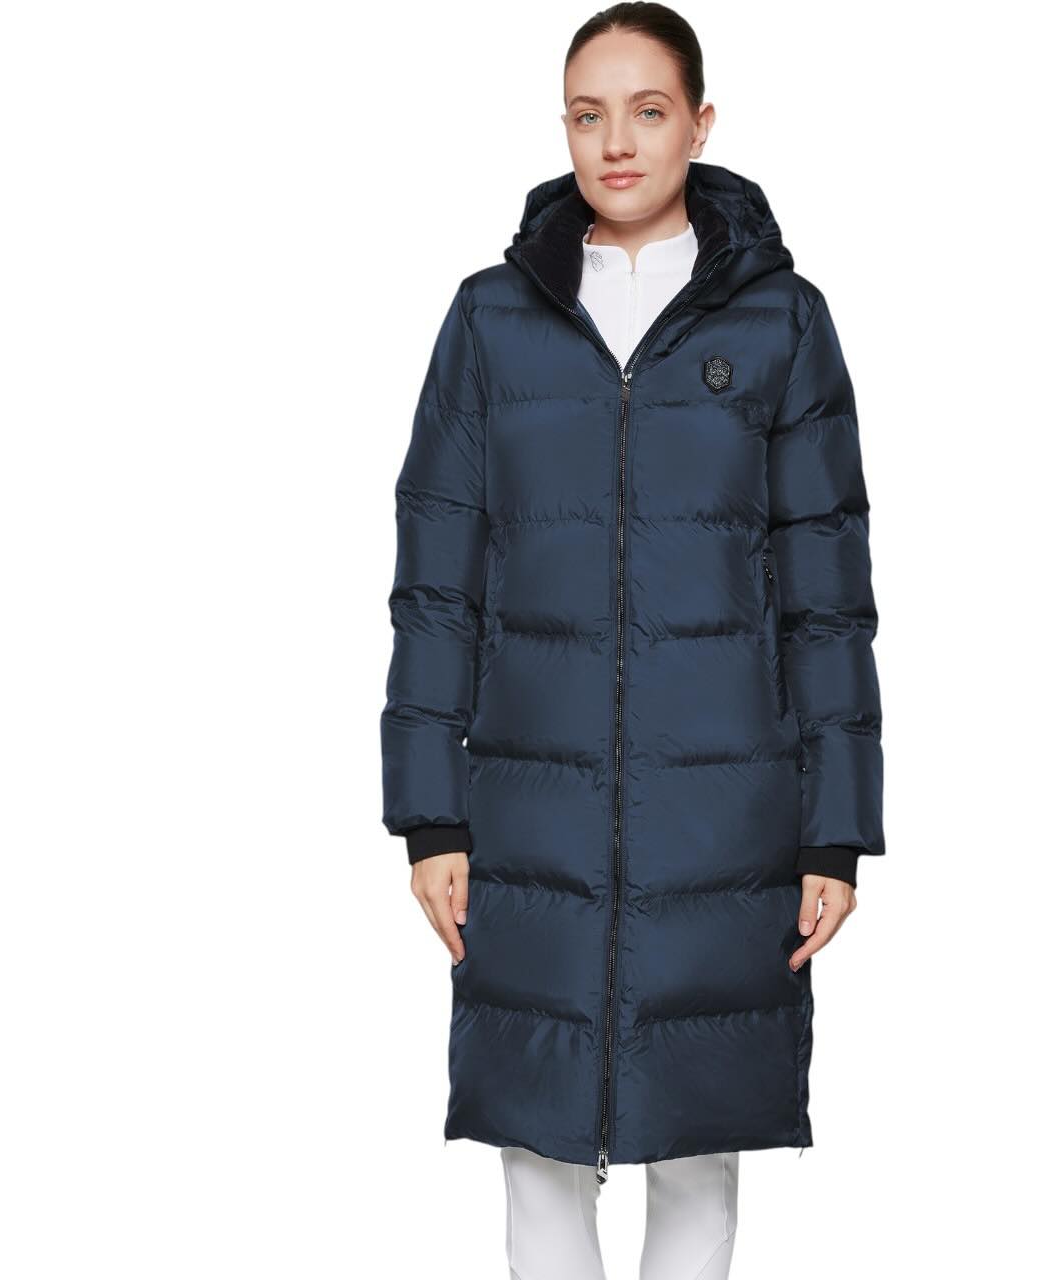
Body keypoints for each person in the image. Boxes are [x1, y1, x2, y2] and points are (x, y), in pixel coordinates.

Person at [380, 5, 885, 1276]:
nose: (615, 142)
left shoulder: (780, 323)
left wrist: (832, 831)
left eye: (646, 111)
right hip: (527, 810)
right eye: (586, 114)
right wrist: (429, 818)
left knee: (698, 1148)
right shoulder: (490, 319)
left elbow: (826, 592)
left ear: (698, 124)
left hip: (726, 814)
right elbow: (436, 581)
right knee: (535, 1150)